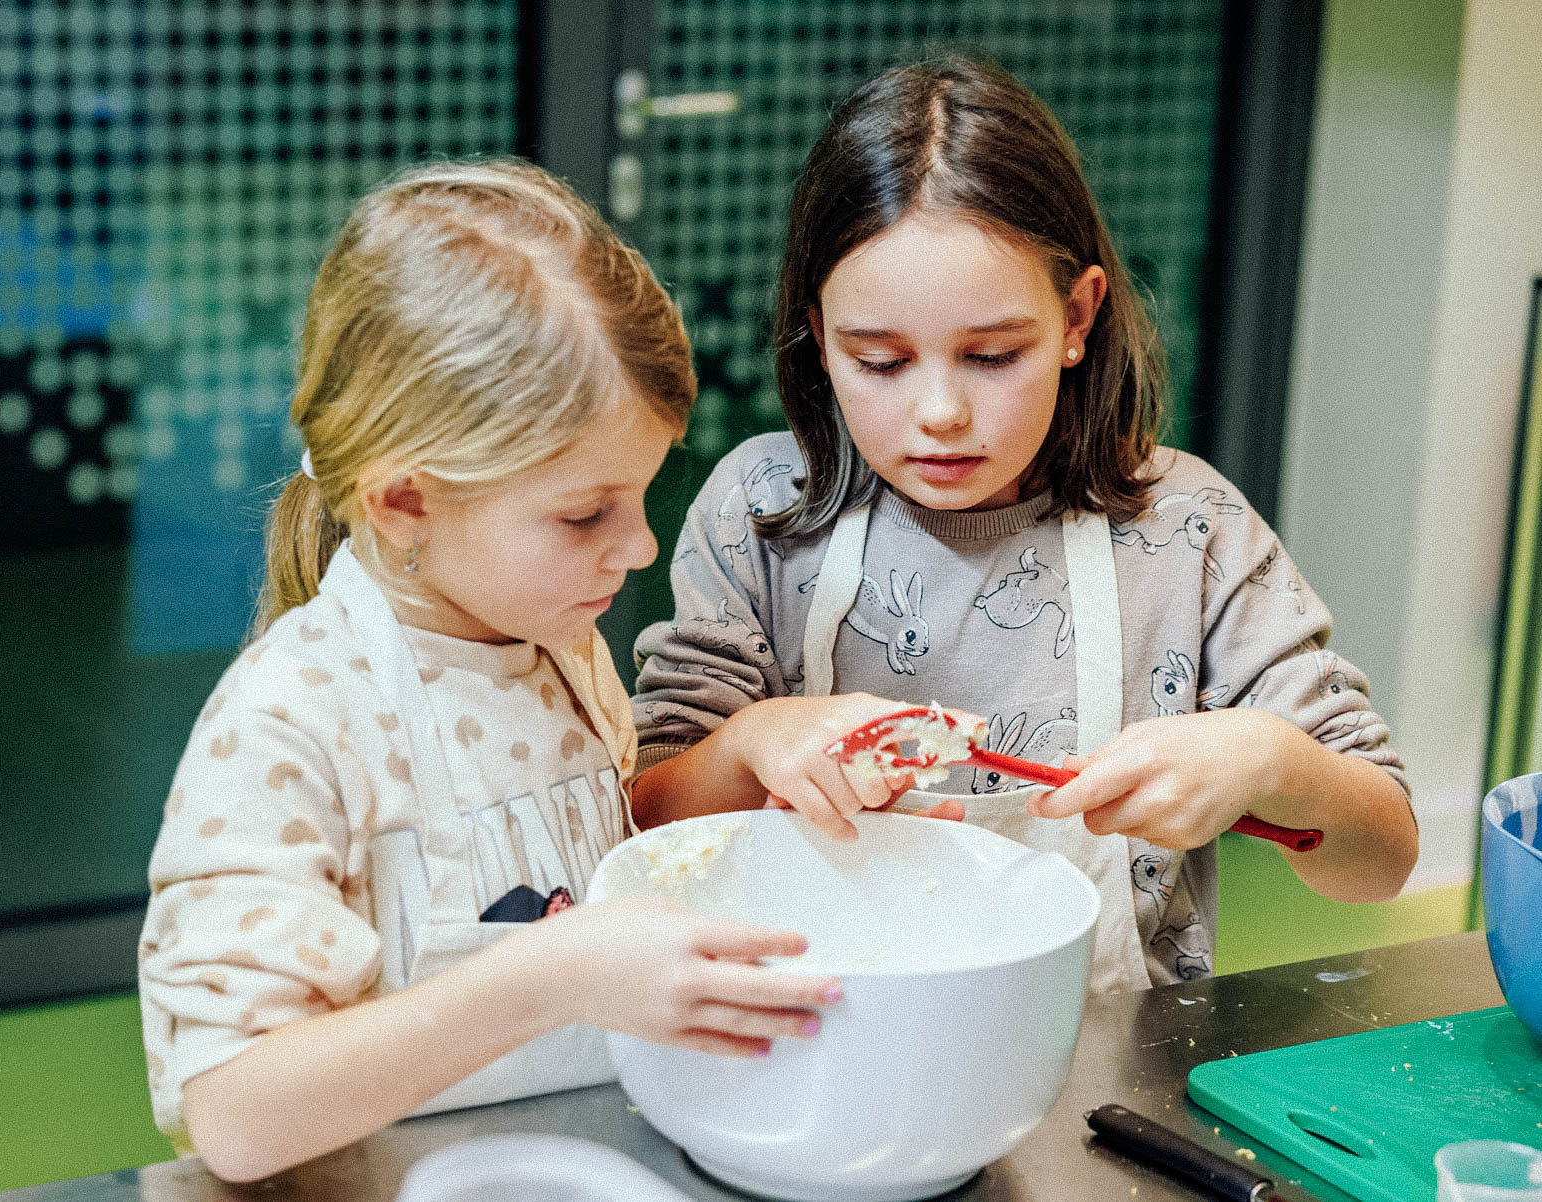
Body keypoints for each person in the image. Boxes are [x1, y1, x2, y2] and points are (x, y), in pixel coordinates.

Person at [631, 57, 1418, 995]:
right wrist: (756, 739)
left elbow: (1384, 860)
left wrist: (1272, 761)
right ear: (819, 331)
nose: (940, 413)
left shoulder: (1190, 531)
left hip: (1108, 1068)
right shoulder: (758, 511)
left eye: (993, 355)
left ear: (1078, 315)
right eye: (878, 360)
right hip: (817, 1039)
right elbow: (648, 819)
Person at [138, 160, 839, 1183]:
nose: (639, 546)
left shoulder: (558, 648)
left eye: (642, 494)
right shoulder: (290, 721)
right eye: (583, 512)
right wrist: (549, 975)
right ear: (405, 502)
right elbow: (235, 1108)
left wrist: (746, 752)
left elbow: (589, 860)